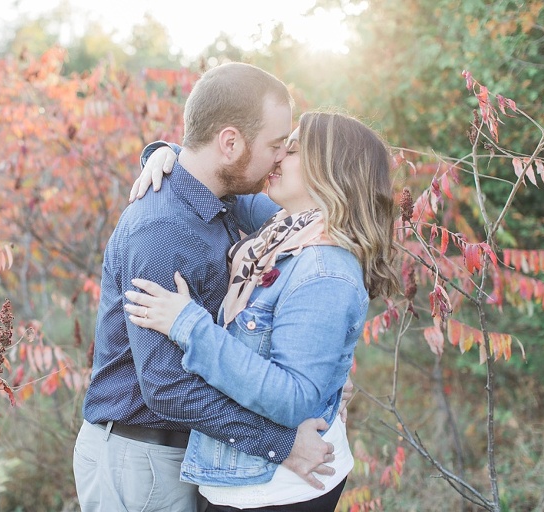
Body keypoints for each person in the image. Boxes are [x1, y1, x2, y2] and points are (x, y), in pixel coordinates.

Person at [73, 63, 338, 512]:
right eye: (276, 145)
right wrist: (282, 443)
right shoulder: (161, 231)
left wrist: (164, 149)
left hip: (185, 450)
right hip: (142, 459)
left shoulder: (223, 200)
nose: (280, 158)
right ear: (230, 143)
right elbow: (166, 387)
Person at [123, 111, 400, 511]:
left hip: (279, 489)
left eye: (292, 150)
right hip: (246, 478)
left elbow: (295, 399)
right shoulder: (285, 226)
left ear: (332, 171)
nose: (277, 159)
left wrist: (189, 325)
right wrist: (165, 154)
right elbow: (212, 177)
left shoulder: (325, 270)